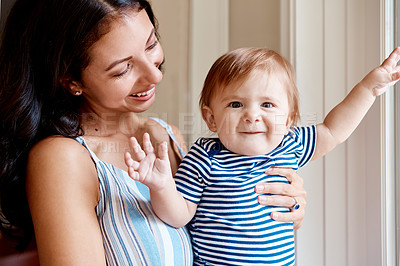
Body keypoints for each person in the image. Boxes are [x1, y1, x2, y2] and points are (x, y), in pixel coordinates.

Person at [0, 1, 308, 264]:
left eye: (151, 44)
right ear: (70, 80)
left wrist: (284, 211)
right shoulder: (63, 159)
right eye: (123, 69)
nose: (155, 74)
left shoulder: (168, 135)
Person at [125, 47, 400, 265]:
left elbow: (332, 130)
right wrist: (161, 186)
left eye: (267, 104)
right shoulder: (204, 156)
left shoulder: (289, 144)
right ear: (211, 118)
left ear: (290, 118)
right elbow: (179, 216)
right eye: (236, 104)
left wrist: (369, 88)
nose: (252, 115)